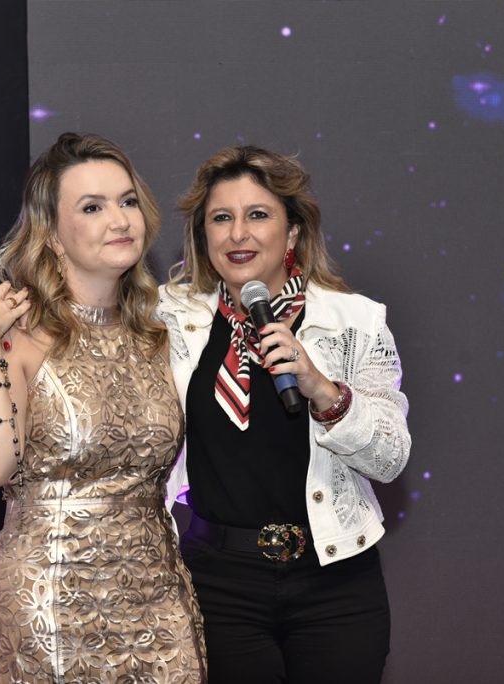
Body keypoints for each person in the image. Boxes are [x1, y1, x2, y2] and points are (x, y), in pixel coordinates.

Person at [0, 132, 206, 683]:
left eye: (127, 201)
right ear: (51, 234)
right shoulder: (18, 336)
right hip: (48, 602)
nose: (119, 220)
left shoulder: (162, 336)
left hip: (159, 606)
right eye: (92, 207)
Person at [158, 145, 411, 683]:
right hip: (219, 580)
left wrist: (324, 390)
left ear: (292, 232)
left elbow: (390, 459)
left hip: (335, 579)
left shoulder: (355, 322)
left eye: (257, 215)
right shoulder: (168, 319)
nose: (238, 234)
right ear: (204, 236)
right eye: (221, 218)